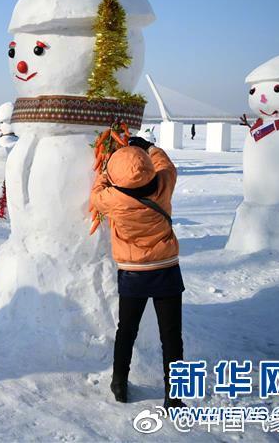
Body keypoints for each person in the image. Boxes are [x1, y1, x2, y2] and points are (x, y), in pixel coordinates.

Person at [90, 136, 185, 408]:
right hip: (166, 269)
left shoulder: (113, 199)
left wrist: (108, 168)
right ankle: (174, 395)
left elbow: (97, 192)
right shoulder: (164, 184)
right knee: (171, 336)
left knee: (127, 330)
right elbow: (166, 164)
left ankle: (119, 382)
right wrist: (149, 148)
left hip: (133, 273)